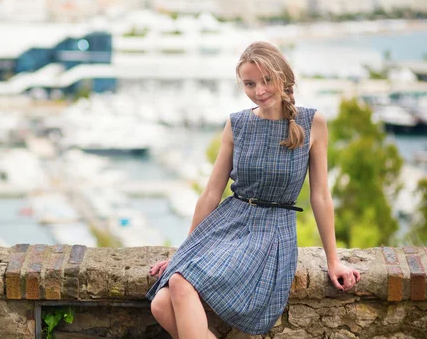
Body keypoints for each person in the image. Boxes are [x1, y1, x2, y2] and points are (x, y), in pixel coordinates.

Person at [147, 42, 361, 338]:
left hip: (271, 230)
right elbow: (211, 194)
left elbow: (321, 196)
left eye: (266, 80)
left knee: (180, 284)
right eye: (250, 84)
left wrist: (333, 260)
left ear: (283, 77)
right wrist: (185, 250)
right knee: (160, 304)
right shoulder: (237, 124)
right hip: (228, 221)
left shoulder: (313, 123)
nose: (259, 91)